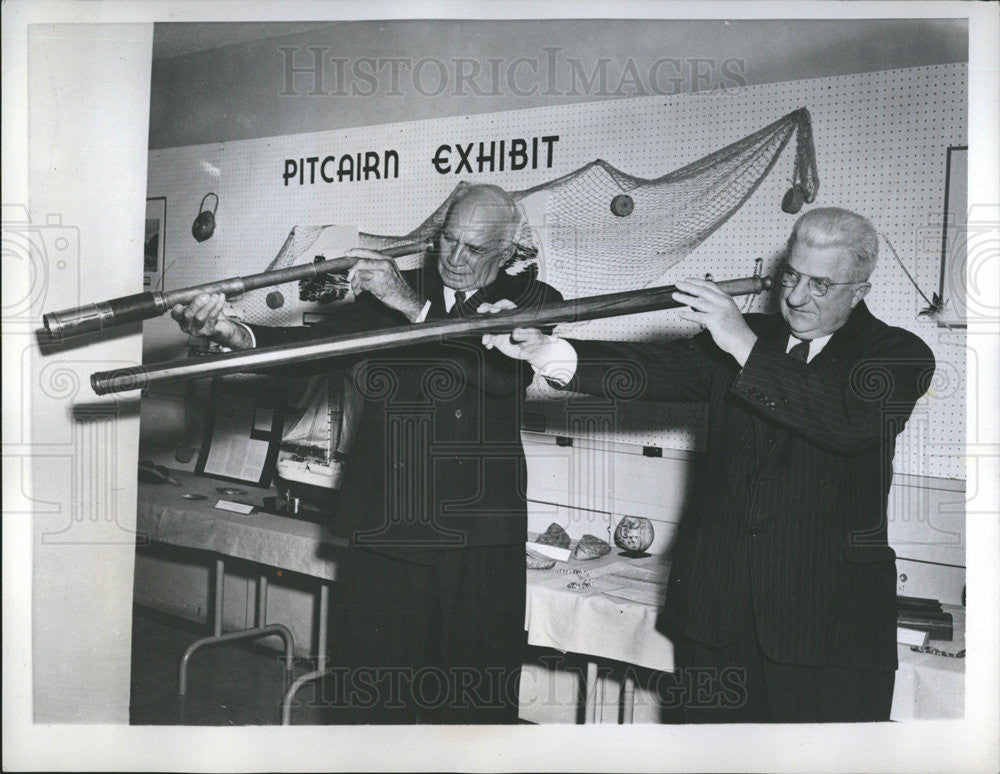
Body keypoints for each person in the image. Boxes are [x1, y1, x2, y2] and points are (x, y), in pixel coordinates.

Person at [482, 207, 935, 722]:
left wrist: (741, 341)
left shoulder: (897, 354)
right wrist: (548, 350)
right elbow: (655, 368)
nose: (794, 297)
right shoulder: (749, 337)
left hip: (827, 632)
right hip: (717, 620)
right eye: (791, 275)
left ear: (860, 290)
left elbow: (847, 421)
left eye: (820, 284)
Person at [171, 184, 562, 723]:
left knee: (474, 706)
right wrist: (231, 331)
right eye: (448, 240)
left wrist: (413, 306)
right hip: (385, 527)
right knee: (370, 699)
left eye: (472, 250)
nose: (452, 257)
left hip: (474, 539)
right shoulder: (391, 296)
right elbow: (312, 352)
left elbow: (499, 375)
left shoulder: (537, 300)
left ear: (505, 250)